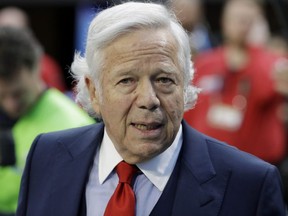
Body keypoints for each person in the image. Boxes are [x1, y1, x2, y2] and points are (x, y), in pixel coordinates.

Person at [16, 2, 285, 216]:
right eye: (127, 80)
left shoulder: (250, 187)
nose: (149, 99)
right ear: (94, 91)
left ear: (185, 86)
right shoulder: (46, 156)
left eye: (164, 80)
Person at [0, 27, 95, 216]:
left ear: (36, 68)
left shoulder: (73, 127)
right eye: (1, 96)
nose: (10, 104)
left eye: (18, 94)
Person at [184, 0, 288, 165]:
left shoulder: (274, 64)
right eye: (237, 18)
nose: (243, 25)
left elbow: (268, 89)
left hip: (256, 167)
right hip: (203, 161)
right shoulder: (205, 63)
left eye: (248, 19)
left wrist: (257, 47)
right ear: (224, 22)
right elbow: (187, 110)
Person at [0, 6, 68, 92]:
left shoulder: (47, 66)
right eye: (4, 33)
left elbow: (58, 97)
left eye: (14, 33)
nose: (9, 40)